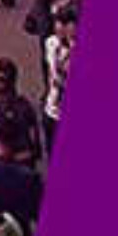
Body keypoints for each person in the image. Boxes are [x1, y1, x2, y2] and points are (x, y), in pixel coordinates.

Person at [0, 59, 40, 169]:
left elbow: (32, 151)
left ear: (8, 81)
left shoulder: (21, 108)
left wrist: (7, 159)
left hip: (16, 168)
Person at [42, 8, 76, 154]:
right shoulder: (51, 43)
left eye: (65, 24)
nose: (59, 28)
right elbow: (52, 71)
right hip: (51, 109)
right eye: (57, 23)